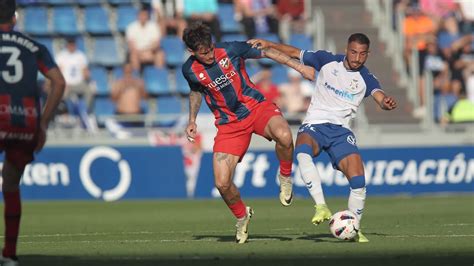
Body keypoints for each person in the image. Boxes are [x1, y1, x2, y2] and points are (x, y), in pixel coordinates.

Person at [248, 33, 398, 243]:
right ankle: (321, 206)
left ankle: (355, 227)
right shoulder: (327, 60)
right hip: (315, 124)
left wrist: (385, 102)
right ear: (346, 49)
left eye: (362, 54)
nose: (357, 58)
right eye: (353, 52)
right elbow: (293, 52)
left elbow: (379, 95)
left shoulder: (366, 77)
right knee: (302, 152)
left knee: (358, 180)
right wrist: (269, 44)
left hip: (341, 131)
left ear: (368, 54)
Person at [181, 22, 294, 244]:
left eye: (211, 49)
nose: (211, 55)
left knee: (285, 136)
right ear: (191, 52)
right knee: (222, 183)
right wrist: (192, 119)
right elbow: (195, 91)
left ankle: (285, 176)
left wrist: (299, 67)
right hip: (229, 125)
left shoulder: (230, 49)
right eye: (204, 53)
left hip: (256, 107)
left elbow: (267, 51)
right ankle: (242, 217)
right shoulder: (190, 70)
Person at [0, 0, 66, 264]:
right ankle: (11, 255)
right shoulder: (34, 46)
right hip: (24, 120)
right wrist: (43, 123)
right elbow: (59, 82)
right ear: (15, 18)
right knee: (11, 182)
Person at [110, 63, 147, 127]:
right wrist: (120, 89)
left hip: (136, 116)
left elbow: (145, 97)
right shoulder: (118, 83)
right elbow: (113, 99)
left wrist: (141, 88)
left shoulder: (139, 82)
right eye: (126, 69)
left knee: (138, 136)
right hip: (122, 115)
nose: (128, 71)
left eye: (129, 69)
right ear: (123, 70)